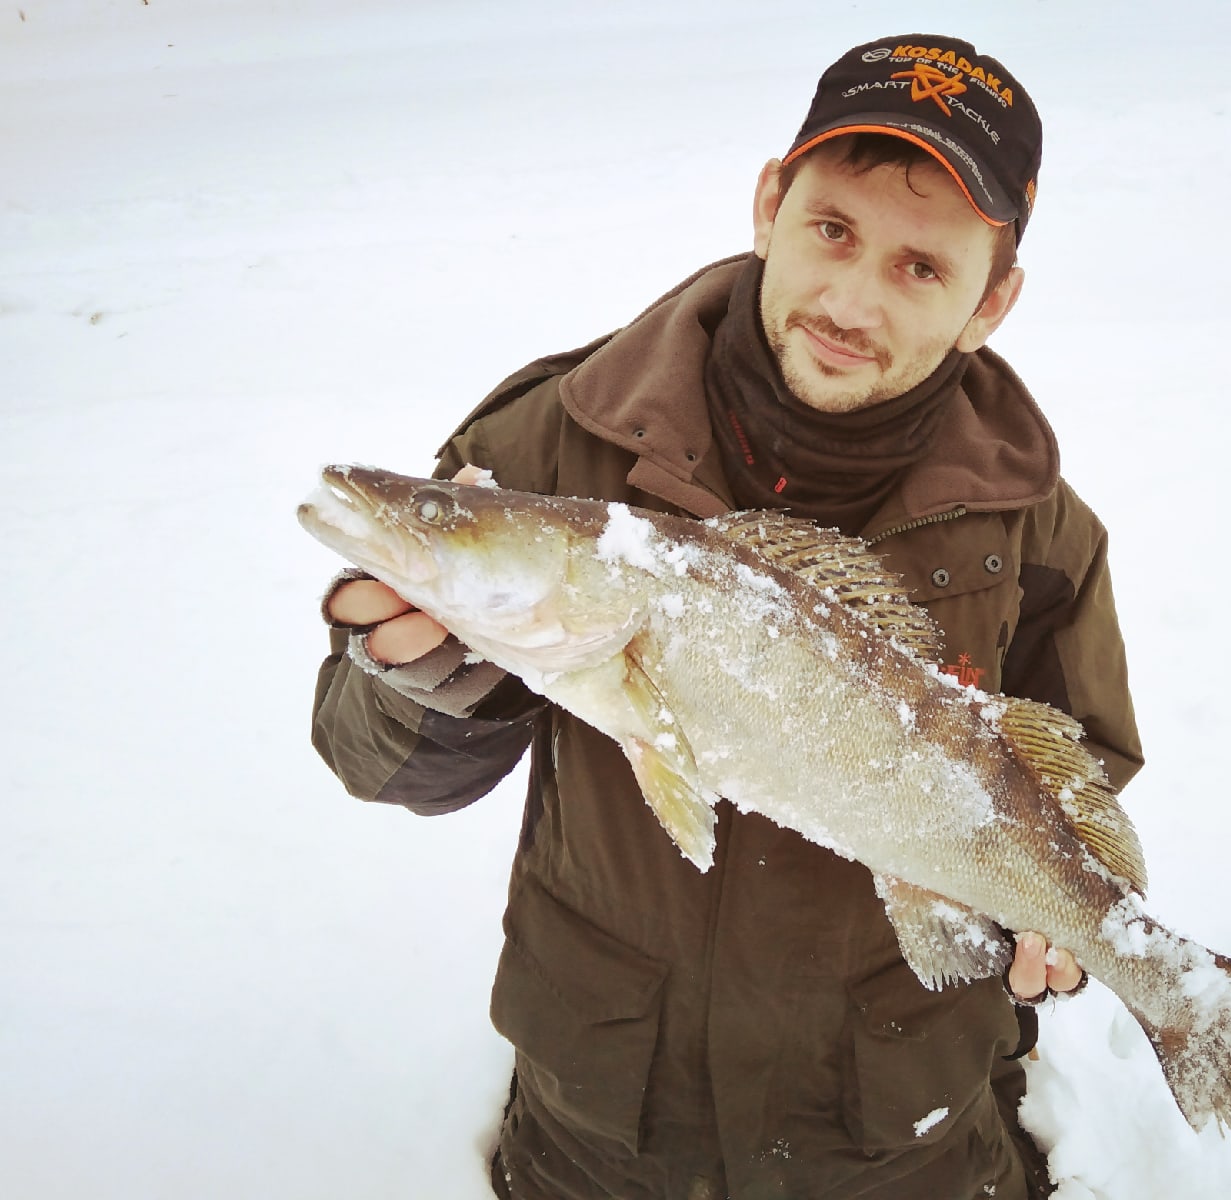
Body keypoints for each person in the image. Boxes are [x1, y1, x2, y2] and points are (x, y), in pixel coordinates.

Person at [311, 34, 1142, 1200]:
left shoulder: (1041, 532)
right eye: (833, 229)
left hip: (902, 1134)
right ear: (770, 204)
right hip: (603, 1125)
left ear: (989, 300)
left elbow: (1077, 769)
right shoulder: (550, 442)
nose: (851, 301)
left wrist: (1049, 920)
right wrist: (421, 685)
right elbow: (381, 770)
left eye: (921, 268)